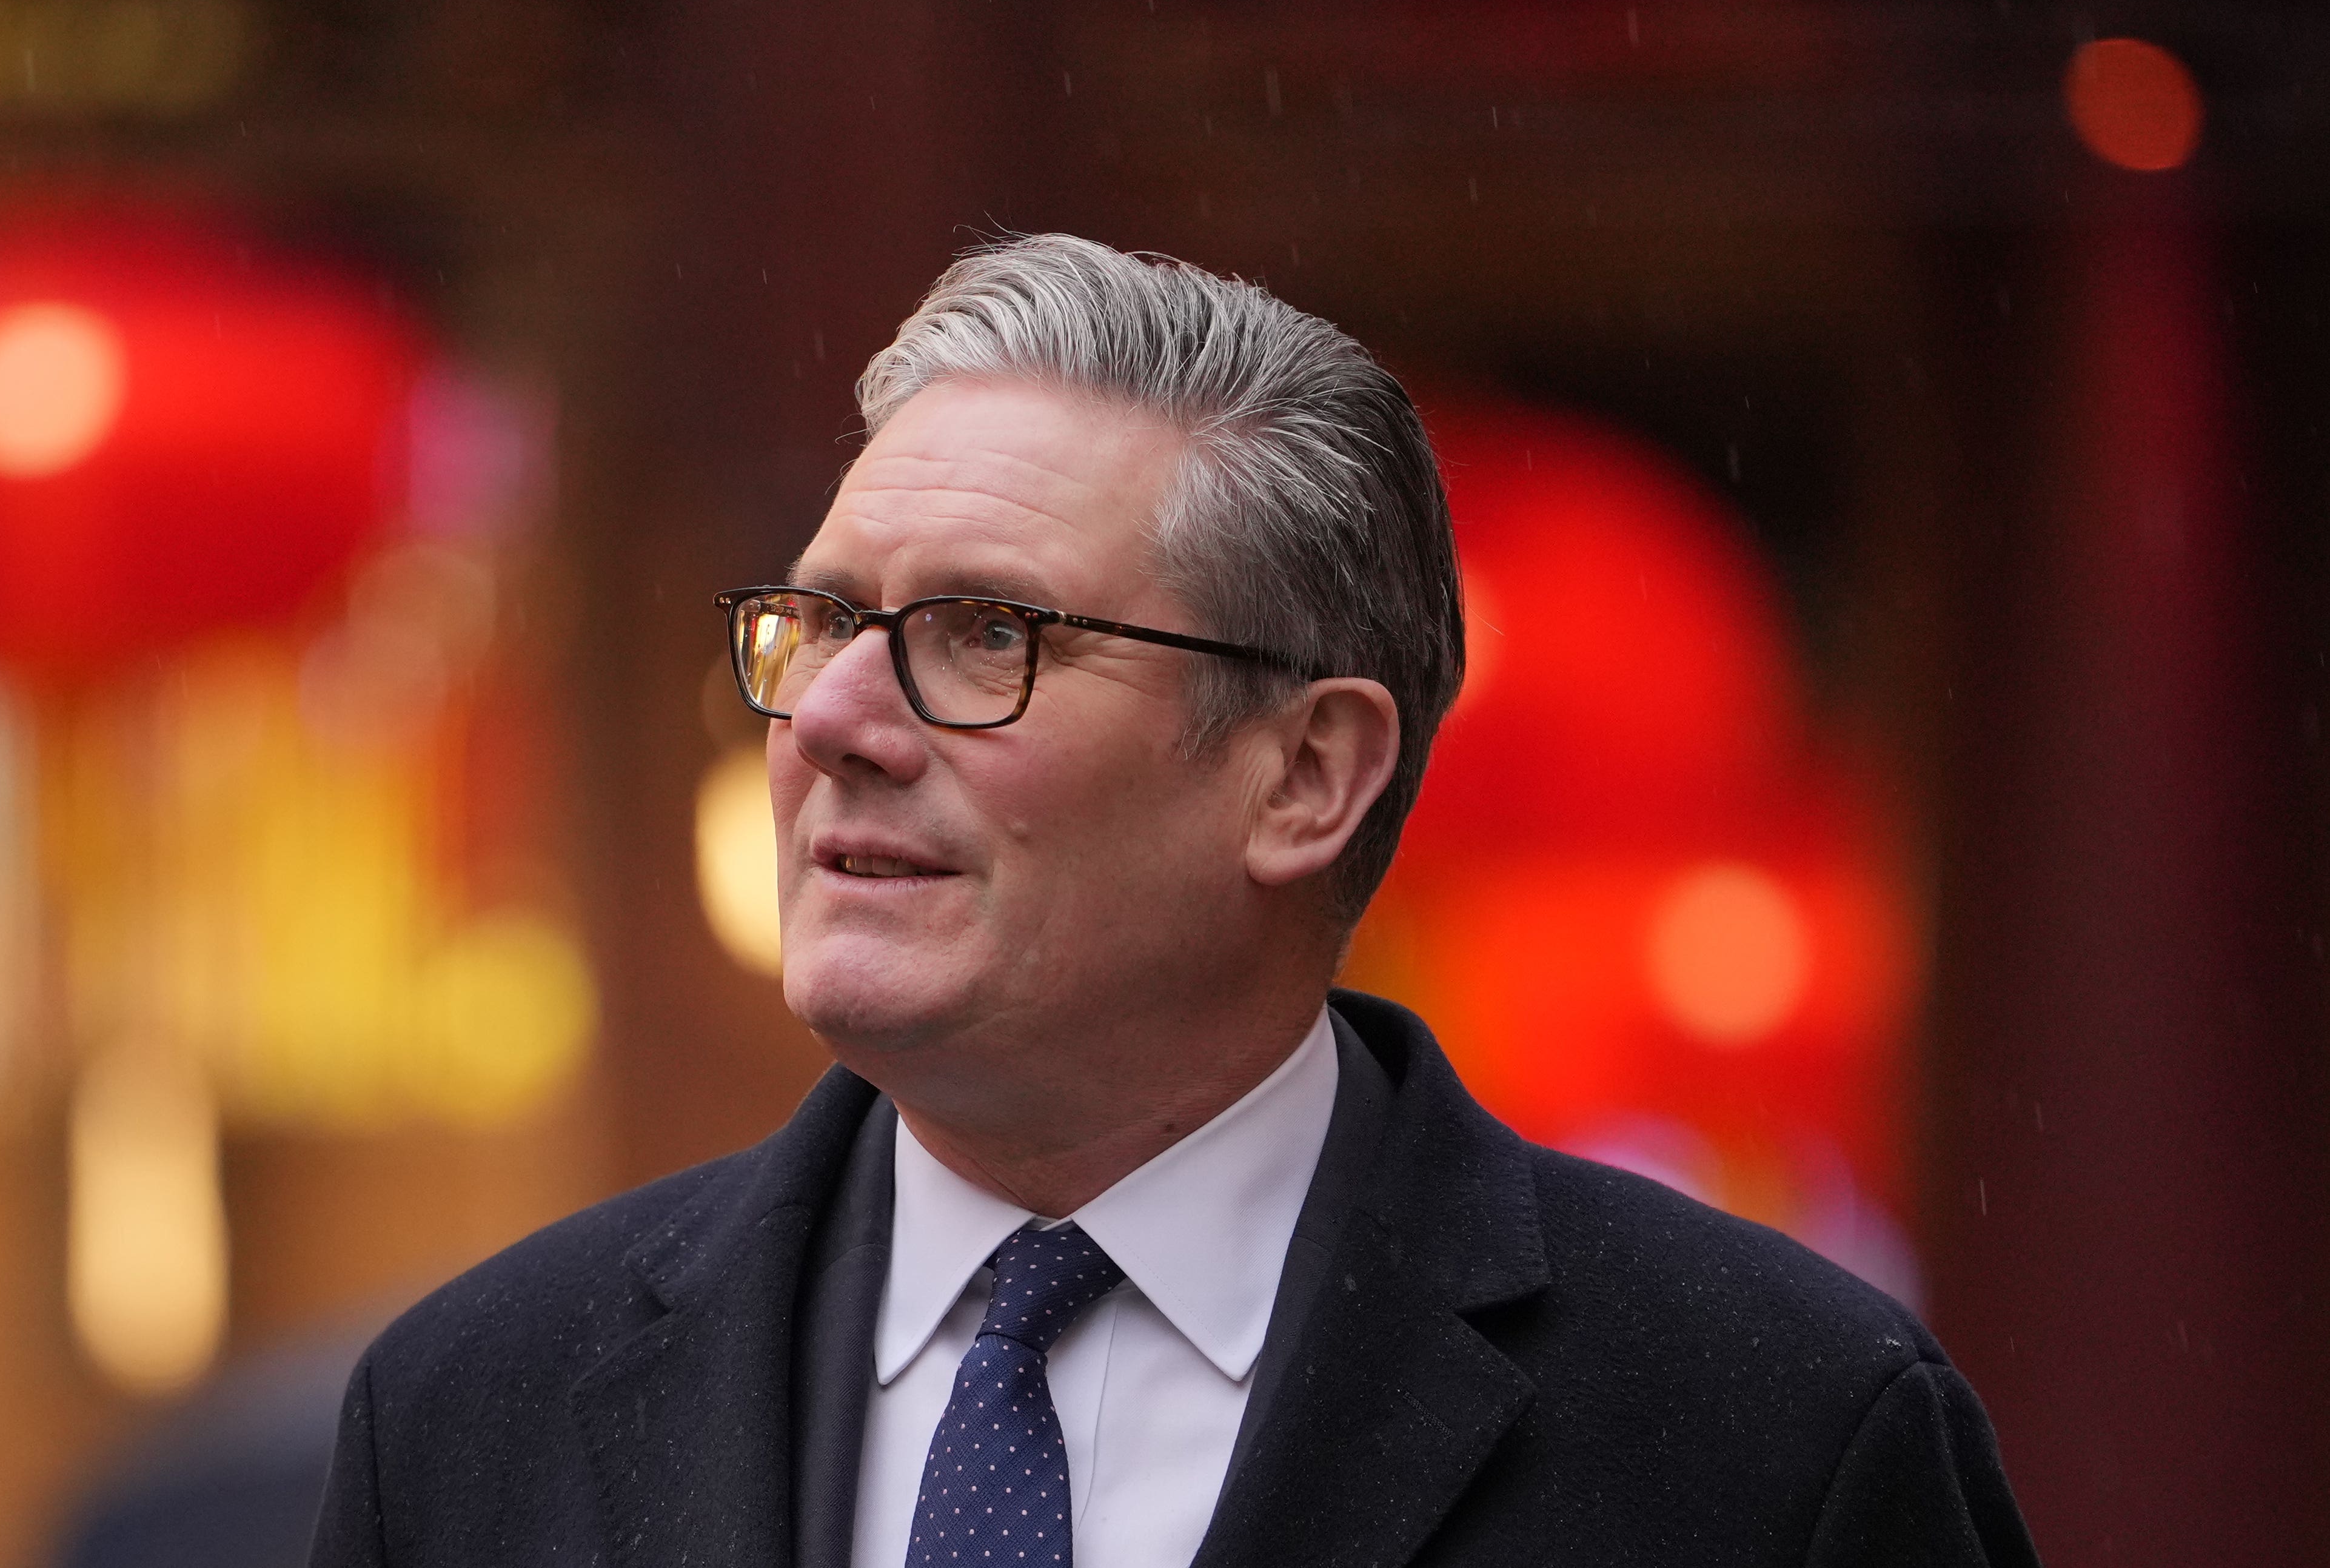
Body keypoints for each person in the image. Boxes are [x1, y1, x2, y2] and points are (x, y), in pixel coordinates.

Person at [309, 235, 2036, 1568]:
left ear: (1304, 774)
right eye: (822, 622)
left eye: (986, 634)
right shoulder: (477, 1413)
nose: (831, 720)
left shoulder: (1762, 1432)